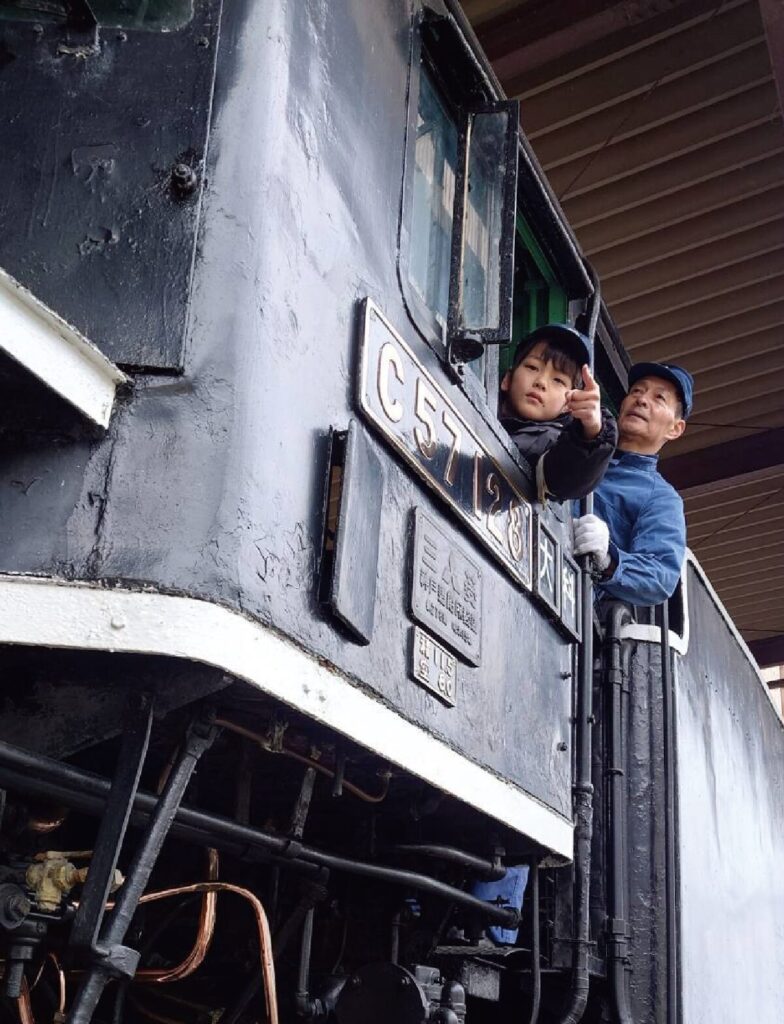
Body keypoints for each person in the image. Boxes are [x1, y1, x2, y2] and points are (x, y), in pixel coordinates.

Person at [572, 362, 694, 607]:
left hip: (566, 598)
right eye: (637, 391)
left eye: (659, 398)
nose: (642, 400)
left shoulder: (661, 498)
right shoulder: (577, 440)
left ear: (675, 428)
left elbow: (660, 576)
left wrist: (608, 558)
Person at [500, 324, 617, 501]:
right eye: (532, 367)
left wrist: (592, 432)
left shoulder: (552, 441)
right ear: (507, 379)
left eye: (558, 380)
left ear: (568, 405)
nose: (541, 382)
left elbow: (565, 476)